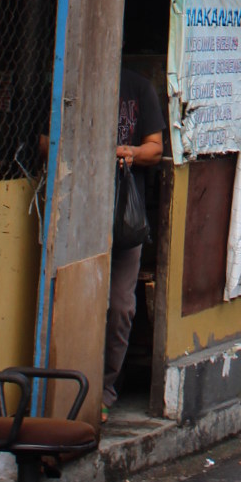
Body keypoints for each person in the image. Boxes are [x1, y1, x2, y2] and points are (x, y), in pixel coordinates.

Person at [103, 67, 164, 416]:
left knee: (120, 306)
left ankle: (105, 388)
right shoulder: (70, 82)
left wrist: (124, 152)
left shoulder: (139, 87)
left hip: (125, 216)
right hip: (80, 209)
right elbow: (40, 140)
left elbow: (155, 150)